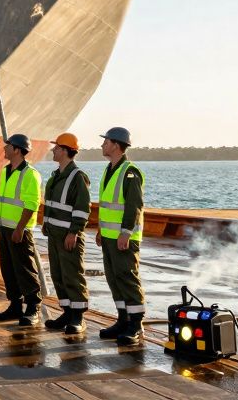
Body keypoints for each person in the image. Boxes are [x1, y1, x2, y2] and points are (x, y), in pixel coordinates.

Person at [96, 126, 146, 346]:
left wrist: (125, 233)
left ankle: (135, 324)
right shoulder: (109, 169)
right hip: (108, 237)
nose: (102, 145)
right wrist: (100, 230)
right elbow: (108, 206)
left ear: (116, 145)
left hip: (123, 238)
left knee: (127, 277)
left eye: (106, 142)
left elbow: (134, 206)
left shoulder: (130, 171)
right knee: (114, 278)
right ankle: (122, 320)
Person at [41, 132, 91, 335]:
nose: (53, 150)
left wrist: (75, 232)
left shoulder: (77, 177)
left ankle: (78, 317)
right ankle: (67, 312)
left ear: (64, 151)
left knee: (72, 274)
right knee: (58, 274)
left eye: (56, 148)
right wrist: (45, 224)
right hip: (54, 235)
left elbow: (81, 208)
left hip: (68, 235)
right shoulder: (56, 176)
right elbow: (51, 205)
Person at [0, 133, 43, 325]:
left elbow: (31, 204)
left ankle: (33, 307)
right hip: (4, 227)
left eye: (8, 146)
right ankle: (15, 306)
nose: (5, 149)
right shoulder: (6, 170)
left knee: (24, 269)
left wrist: (20, 228)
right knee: (8, 269)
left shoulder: (30, 173)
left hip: (18, 230)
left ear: (17, 150)